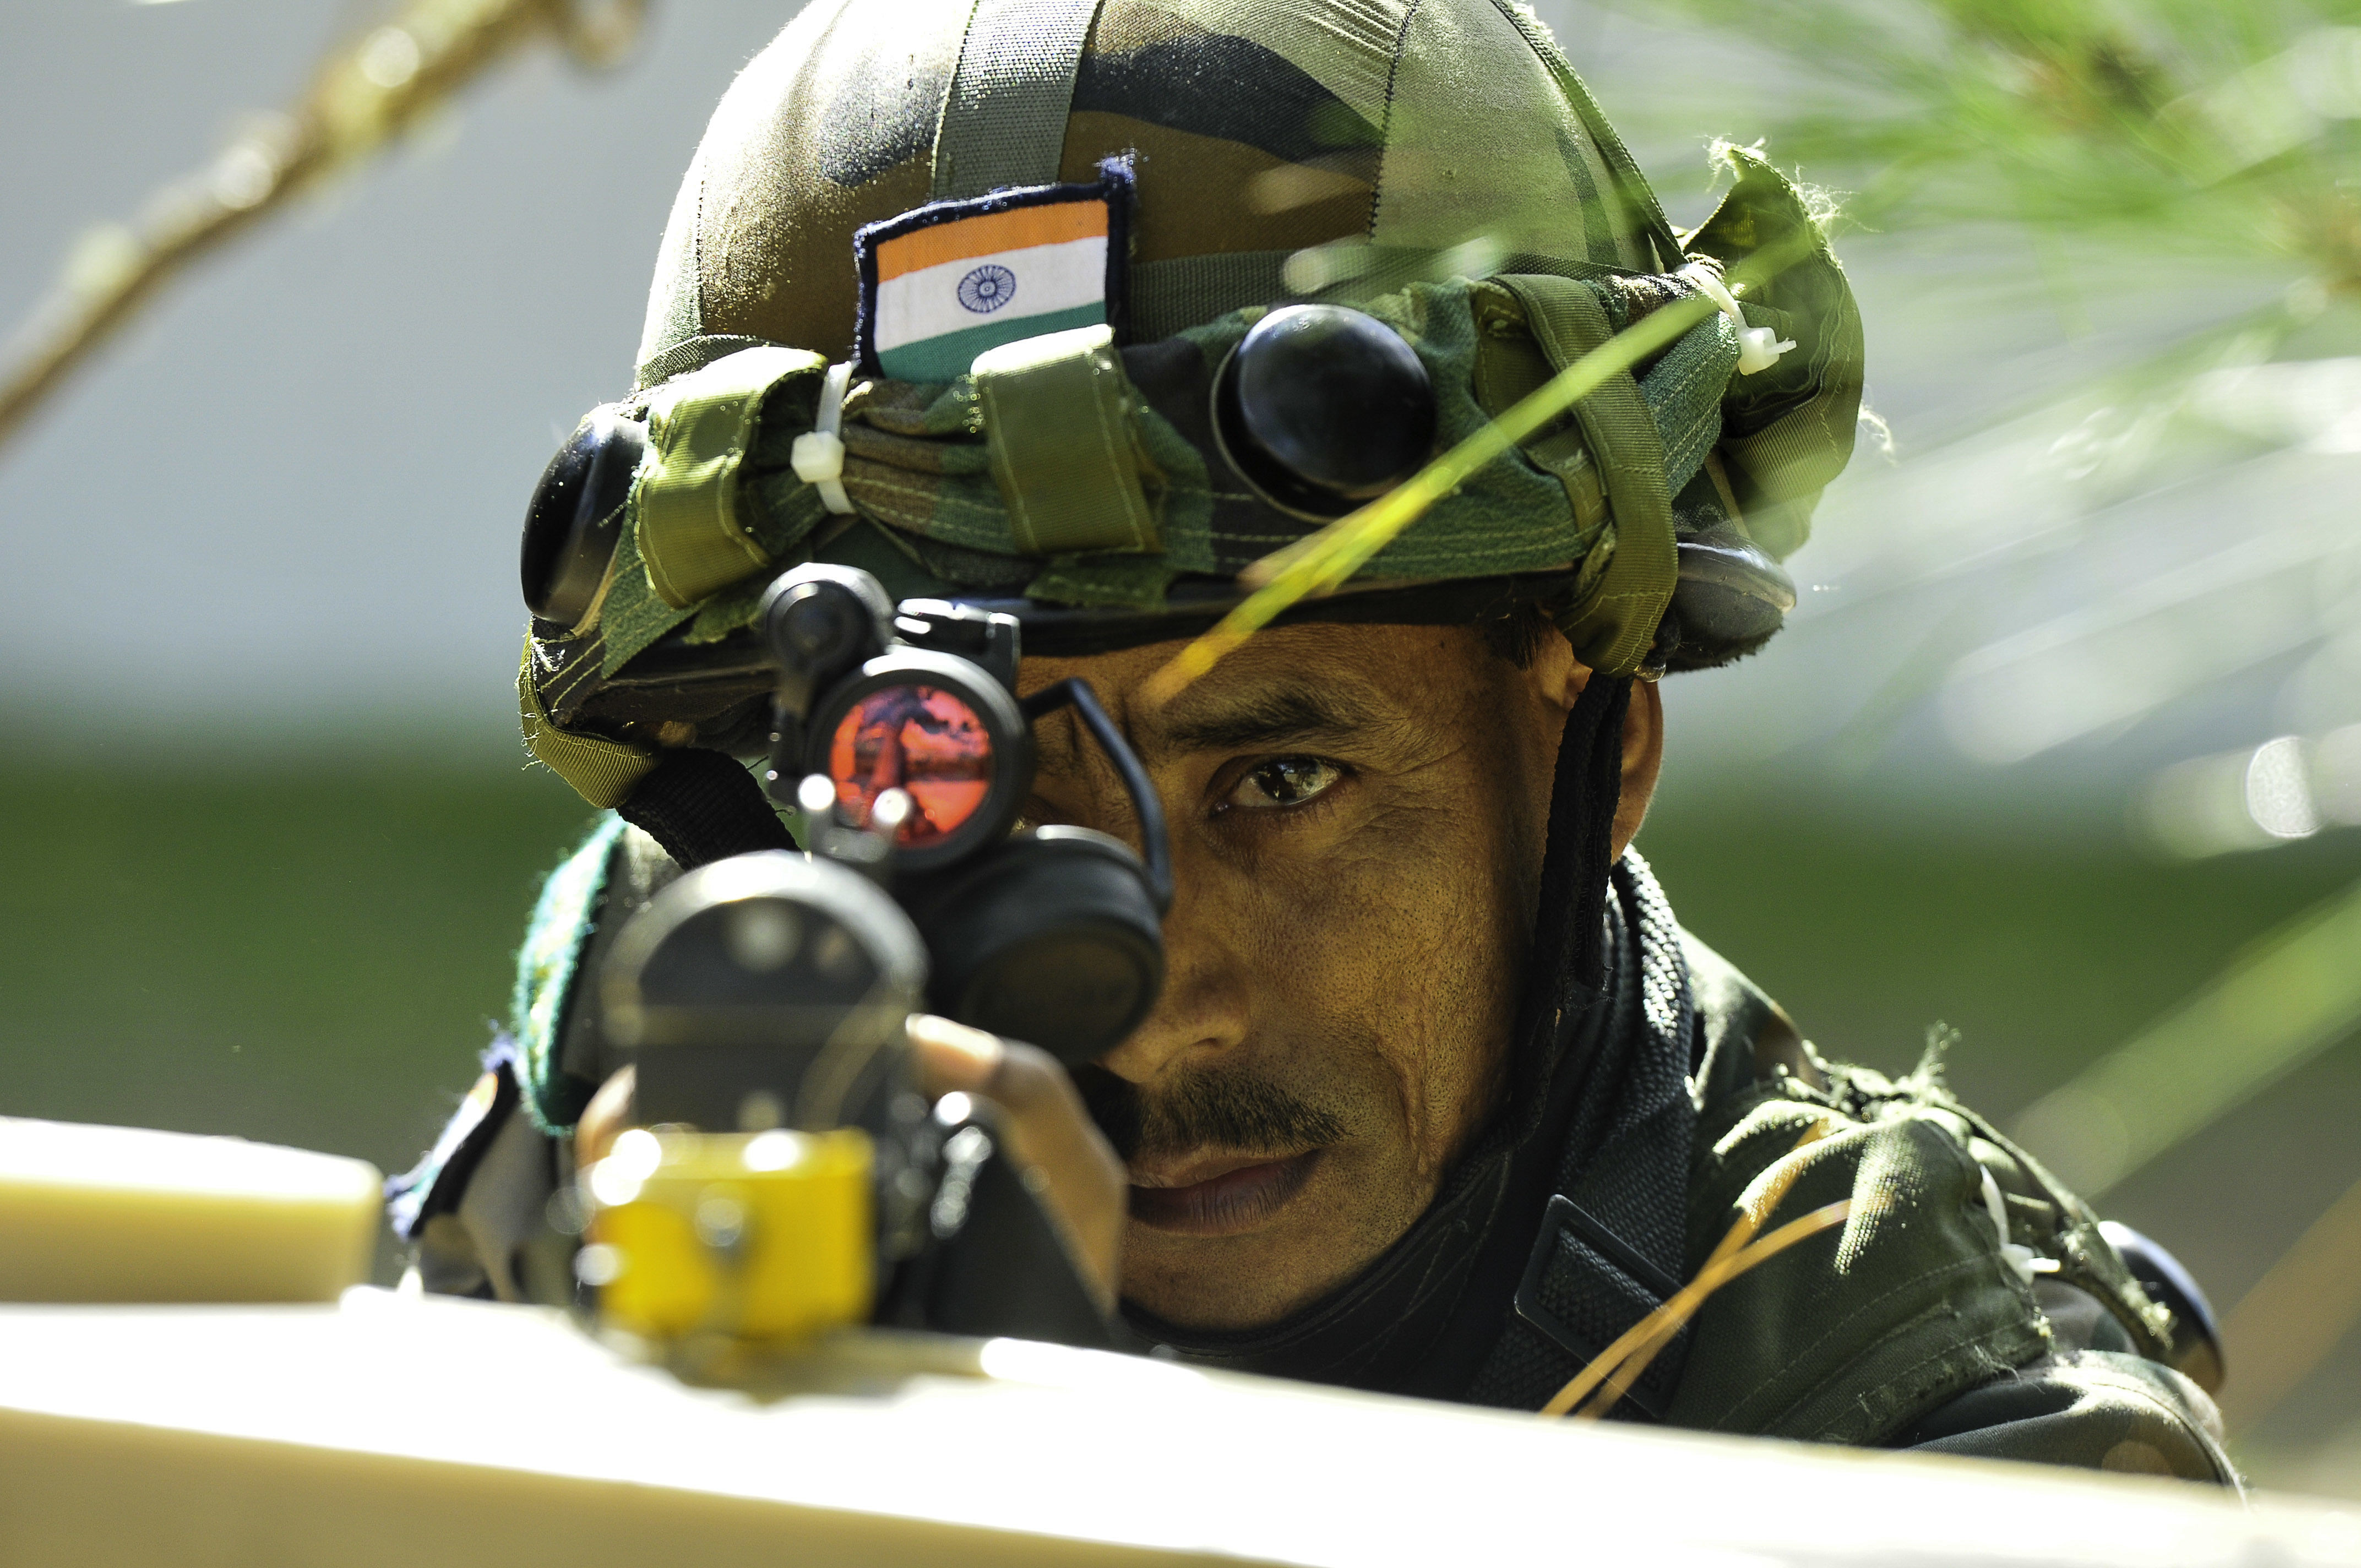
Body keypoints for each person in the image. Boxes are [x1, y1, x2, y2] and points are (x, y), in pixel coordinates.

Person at [391, 0, 2237, 1482]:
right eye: (961, 806)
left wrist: (1036, 1490)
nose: (1159, 998)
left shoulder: (1914, 1433)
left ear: (1599, 743)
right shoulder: (645, 1135)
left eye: (1280, 781)